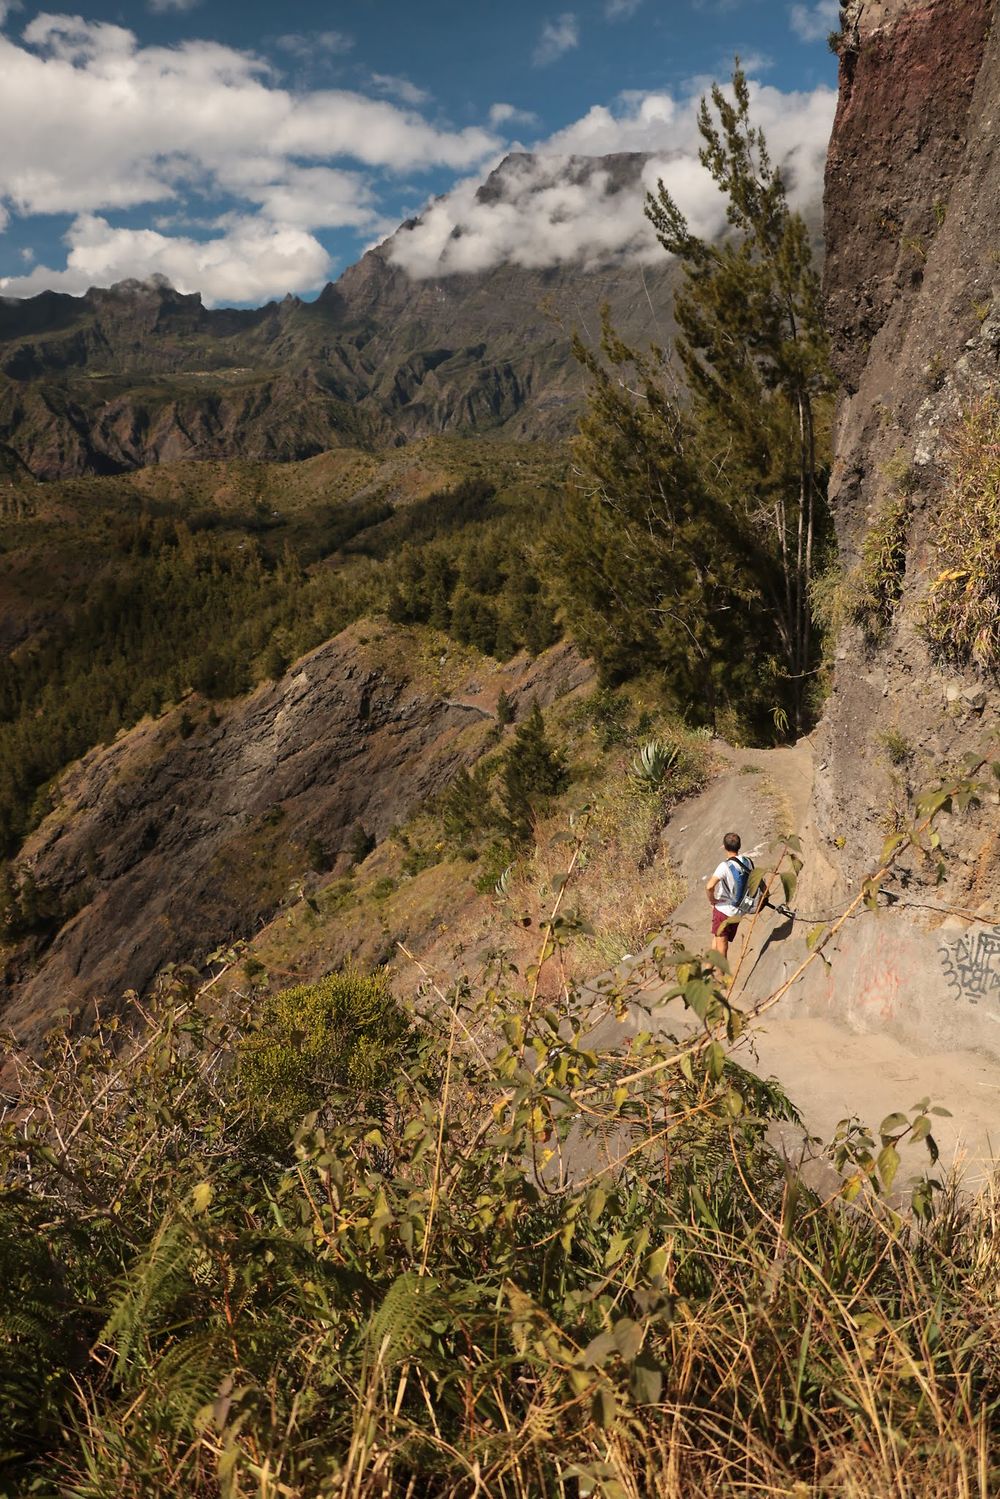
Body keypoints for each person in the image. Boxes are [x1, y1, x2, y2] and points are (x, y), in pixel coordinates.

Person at [706, 832, 753, 963]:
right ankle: (707, 972)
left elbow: (709, 886)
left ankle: (722, 982)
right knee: (717, 940)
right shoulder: (748, 862)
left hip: (723, 912)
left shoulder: (724, 866)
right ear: (739, 846)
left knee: (722, 951)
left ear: (724, 847)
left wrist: (712, 900)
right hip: (738, 912)